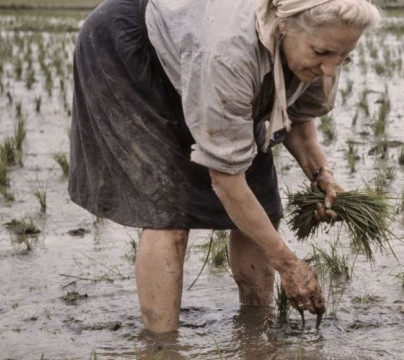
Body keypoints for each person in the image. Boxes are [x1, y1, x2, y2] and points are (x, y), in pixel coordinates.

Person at [69, 0, 380, 333]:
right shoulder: (229, 55)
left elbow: (299, 120)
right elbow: (226, 179)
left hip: (211, 54)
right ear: (284, 26)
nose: (331, 69)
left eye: (343, 58)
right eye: (322, 54)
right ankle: (161, 346)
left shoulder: (325, 43)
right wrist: (289, 265)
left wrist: (322, 176)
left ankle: (257, 325)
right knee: (168, 206)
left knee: (261, 197)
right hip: (133, 50)